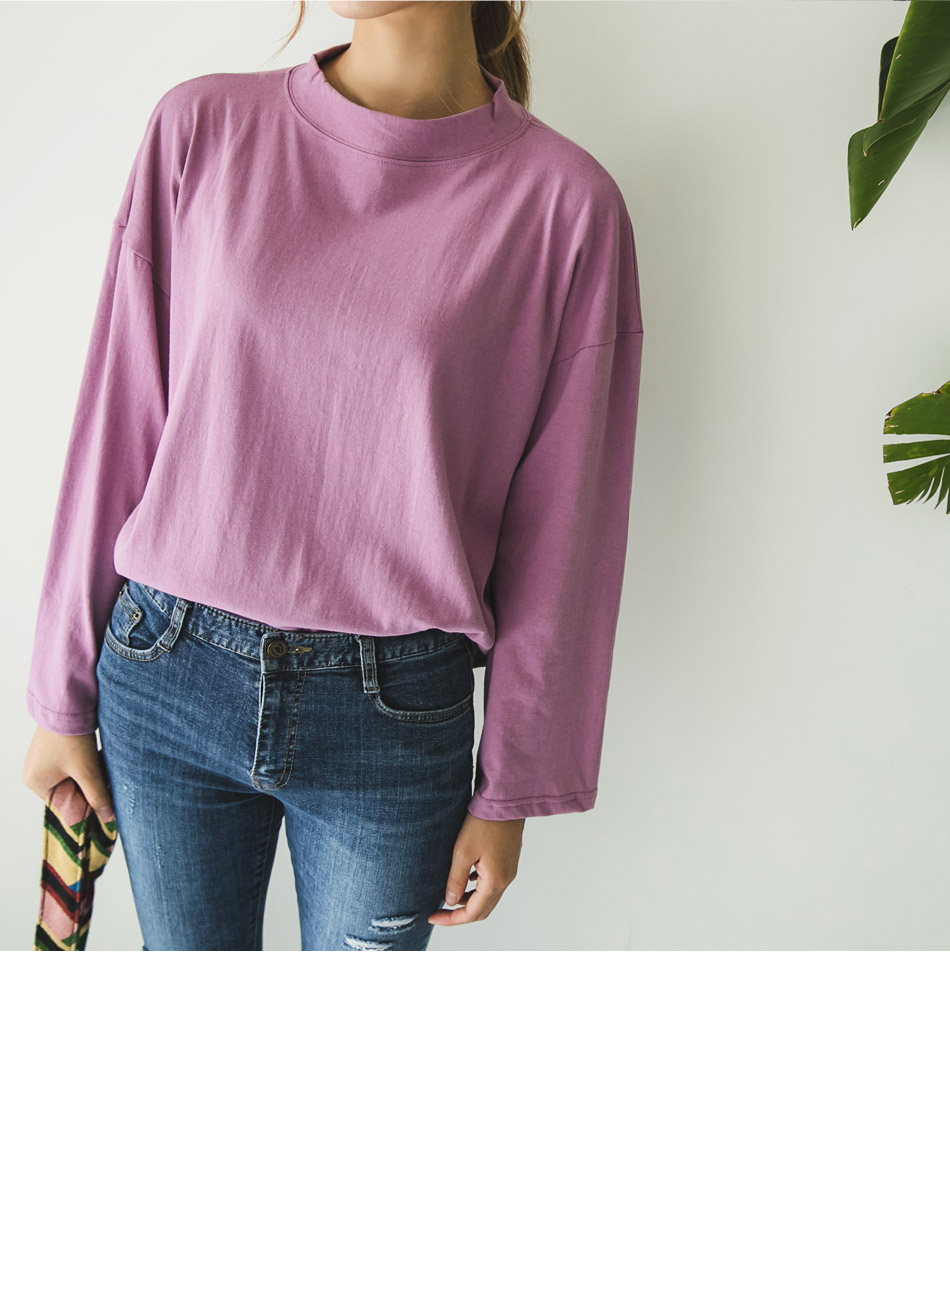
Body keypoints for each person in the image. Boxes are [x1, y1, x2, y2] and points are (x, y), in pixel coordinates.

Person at [21, 0, 644, 950]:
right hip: (167, 676)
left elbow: (566, 528)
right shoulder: (202, 127)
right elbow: (120, 420)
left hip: (394, 718)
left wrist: (514, 784)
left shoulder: (565, 204)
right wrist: (60, 693)